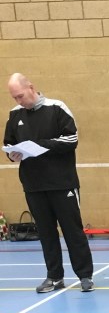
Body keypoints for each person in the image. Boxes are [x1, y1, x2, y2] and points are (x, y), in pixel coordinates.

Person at [4, 74, 94, 293]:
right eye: (14, 98)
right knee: (46, 233)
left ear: (31, 87)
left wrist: (40, 145)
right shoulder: (15, 115)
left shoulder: (57, 108)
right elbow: (9, 143)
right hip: (34, 185)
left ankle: (85, 276)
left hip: (62, 183)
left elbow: (71, 139)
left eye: (20, 96)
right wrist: (12, 154)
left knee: (72, 231)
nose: (18, 101)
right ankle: (54, 277)